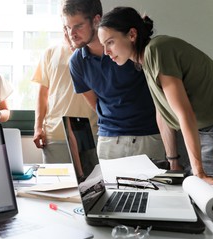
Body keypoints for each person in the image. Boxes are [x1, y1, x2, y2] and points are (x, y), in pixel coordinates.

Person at [98, 7, 213, 188]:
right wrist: (173, 161)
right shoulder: (146, 60)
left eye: (110, 42)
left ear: (132, 34)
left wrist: (199, 173)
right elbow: (163, 114)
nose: (106, 52)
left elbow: (184, 113)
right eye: (103, 45)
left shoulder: (157, 50)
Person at [61, 0, 165, 162]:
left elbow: (162, 94)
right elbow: (94, 103)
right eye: (68, 27)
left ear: (96, 20)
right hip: (108, 140)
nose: (72, 33)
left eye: (78, 26)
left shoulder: (130, 48)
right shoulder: (77, 62)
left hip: (148, 135)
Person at [32, 26, 98, 163]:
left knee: (91, 183)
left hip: (90, 134)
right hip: (55, 134)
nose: (70, 31)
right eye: (67, 26)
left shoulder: (95, 52)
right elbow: (42, 93)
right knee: (55, 184)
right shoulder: (50, 52)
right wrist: (38, 127)